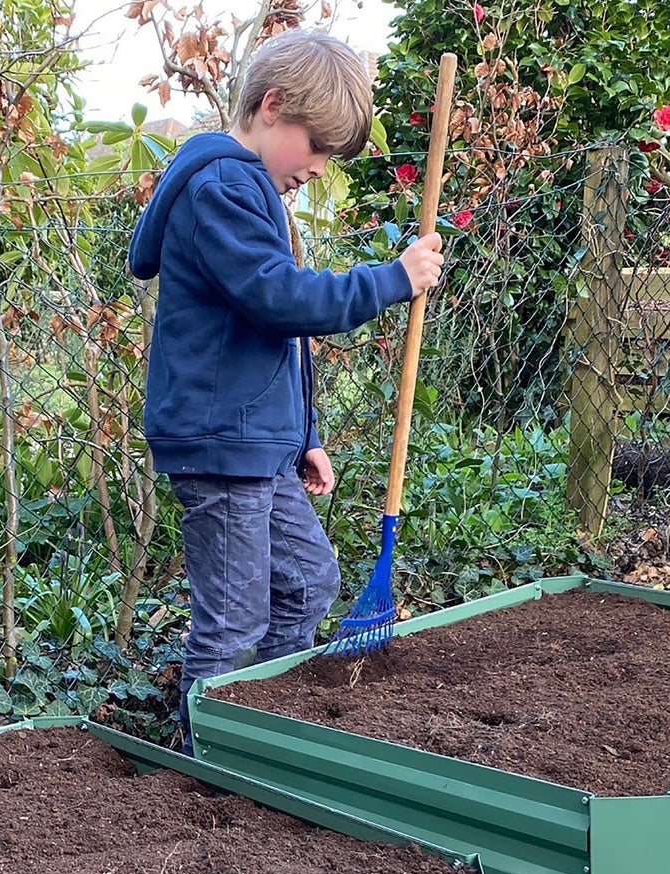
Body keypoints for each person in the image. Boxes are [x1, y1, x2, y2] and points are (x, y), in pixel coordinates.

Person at [128, 29, 443, 751]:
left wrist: (302, 435)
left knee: (304, 581)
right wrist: (391, 280)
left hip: (256, 441)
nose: (320, 168)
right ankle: (204, 756)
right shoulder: (221, 186)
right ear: (272, 106)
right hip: (219, 442)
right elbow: (281, 300)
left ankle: (261, 734)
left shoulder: (249, 186)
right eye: (318, 147)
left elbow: (273, 334)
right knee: (233, 618)